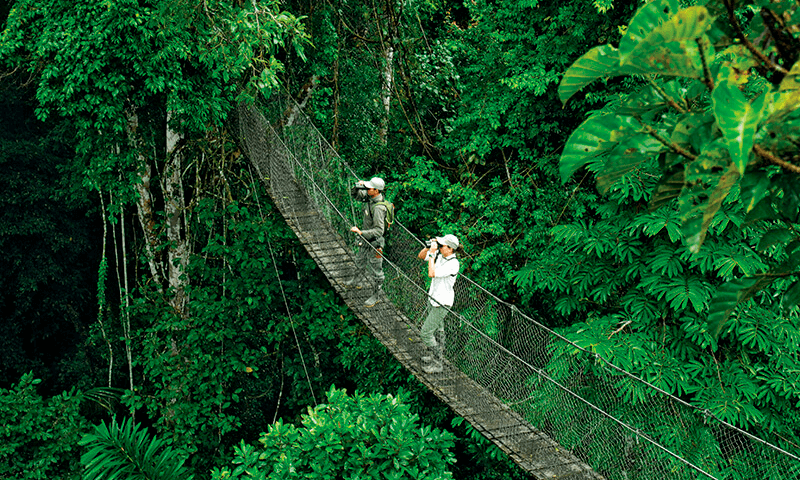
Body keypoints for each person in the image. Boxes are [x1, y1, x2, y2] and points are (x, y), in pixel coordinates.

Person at [417, 234, 461, 374]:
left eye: (443, 246)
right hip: (433, 298)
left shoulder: (453, 264)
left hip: (442, 303)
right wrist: (429, 247)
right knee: (438, 330)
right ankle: (433, 356)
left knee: (425, 333)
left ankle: (438, 361)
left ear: (450, 249)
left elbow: (431, 273)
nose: (440, 247)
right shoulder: (441, 255)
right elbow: (420, 256)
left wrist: (432, 254)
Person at [345, 177, 388, 307]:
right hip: (365, 239)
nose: (367, 189)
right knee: (360, 260)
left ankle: (376, 296)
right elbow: (355, 195)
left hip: (375, 242)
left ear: (376, 190)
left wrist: (361, 232)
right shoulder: (370, 198)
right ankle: (356, 281)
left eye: (370, 188)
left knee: (376, 271)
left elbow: (379, 231)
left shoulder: (378, 208)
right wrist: (358, 186)